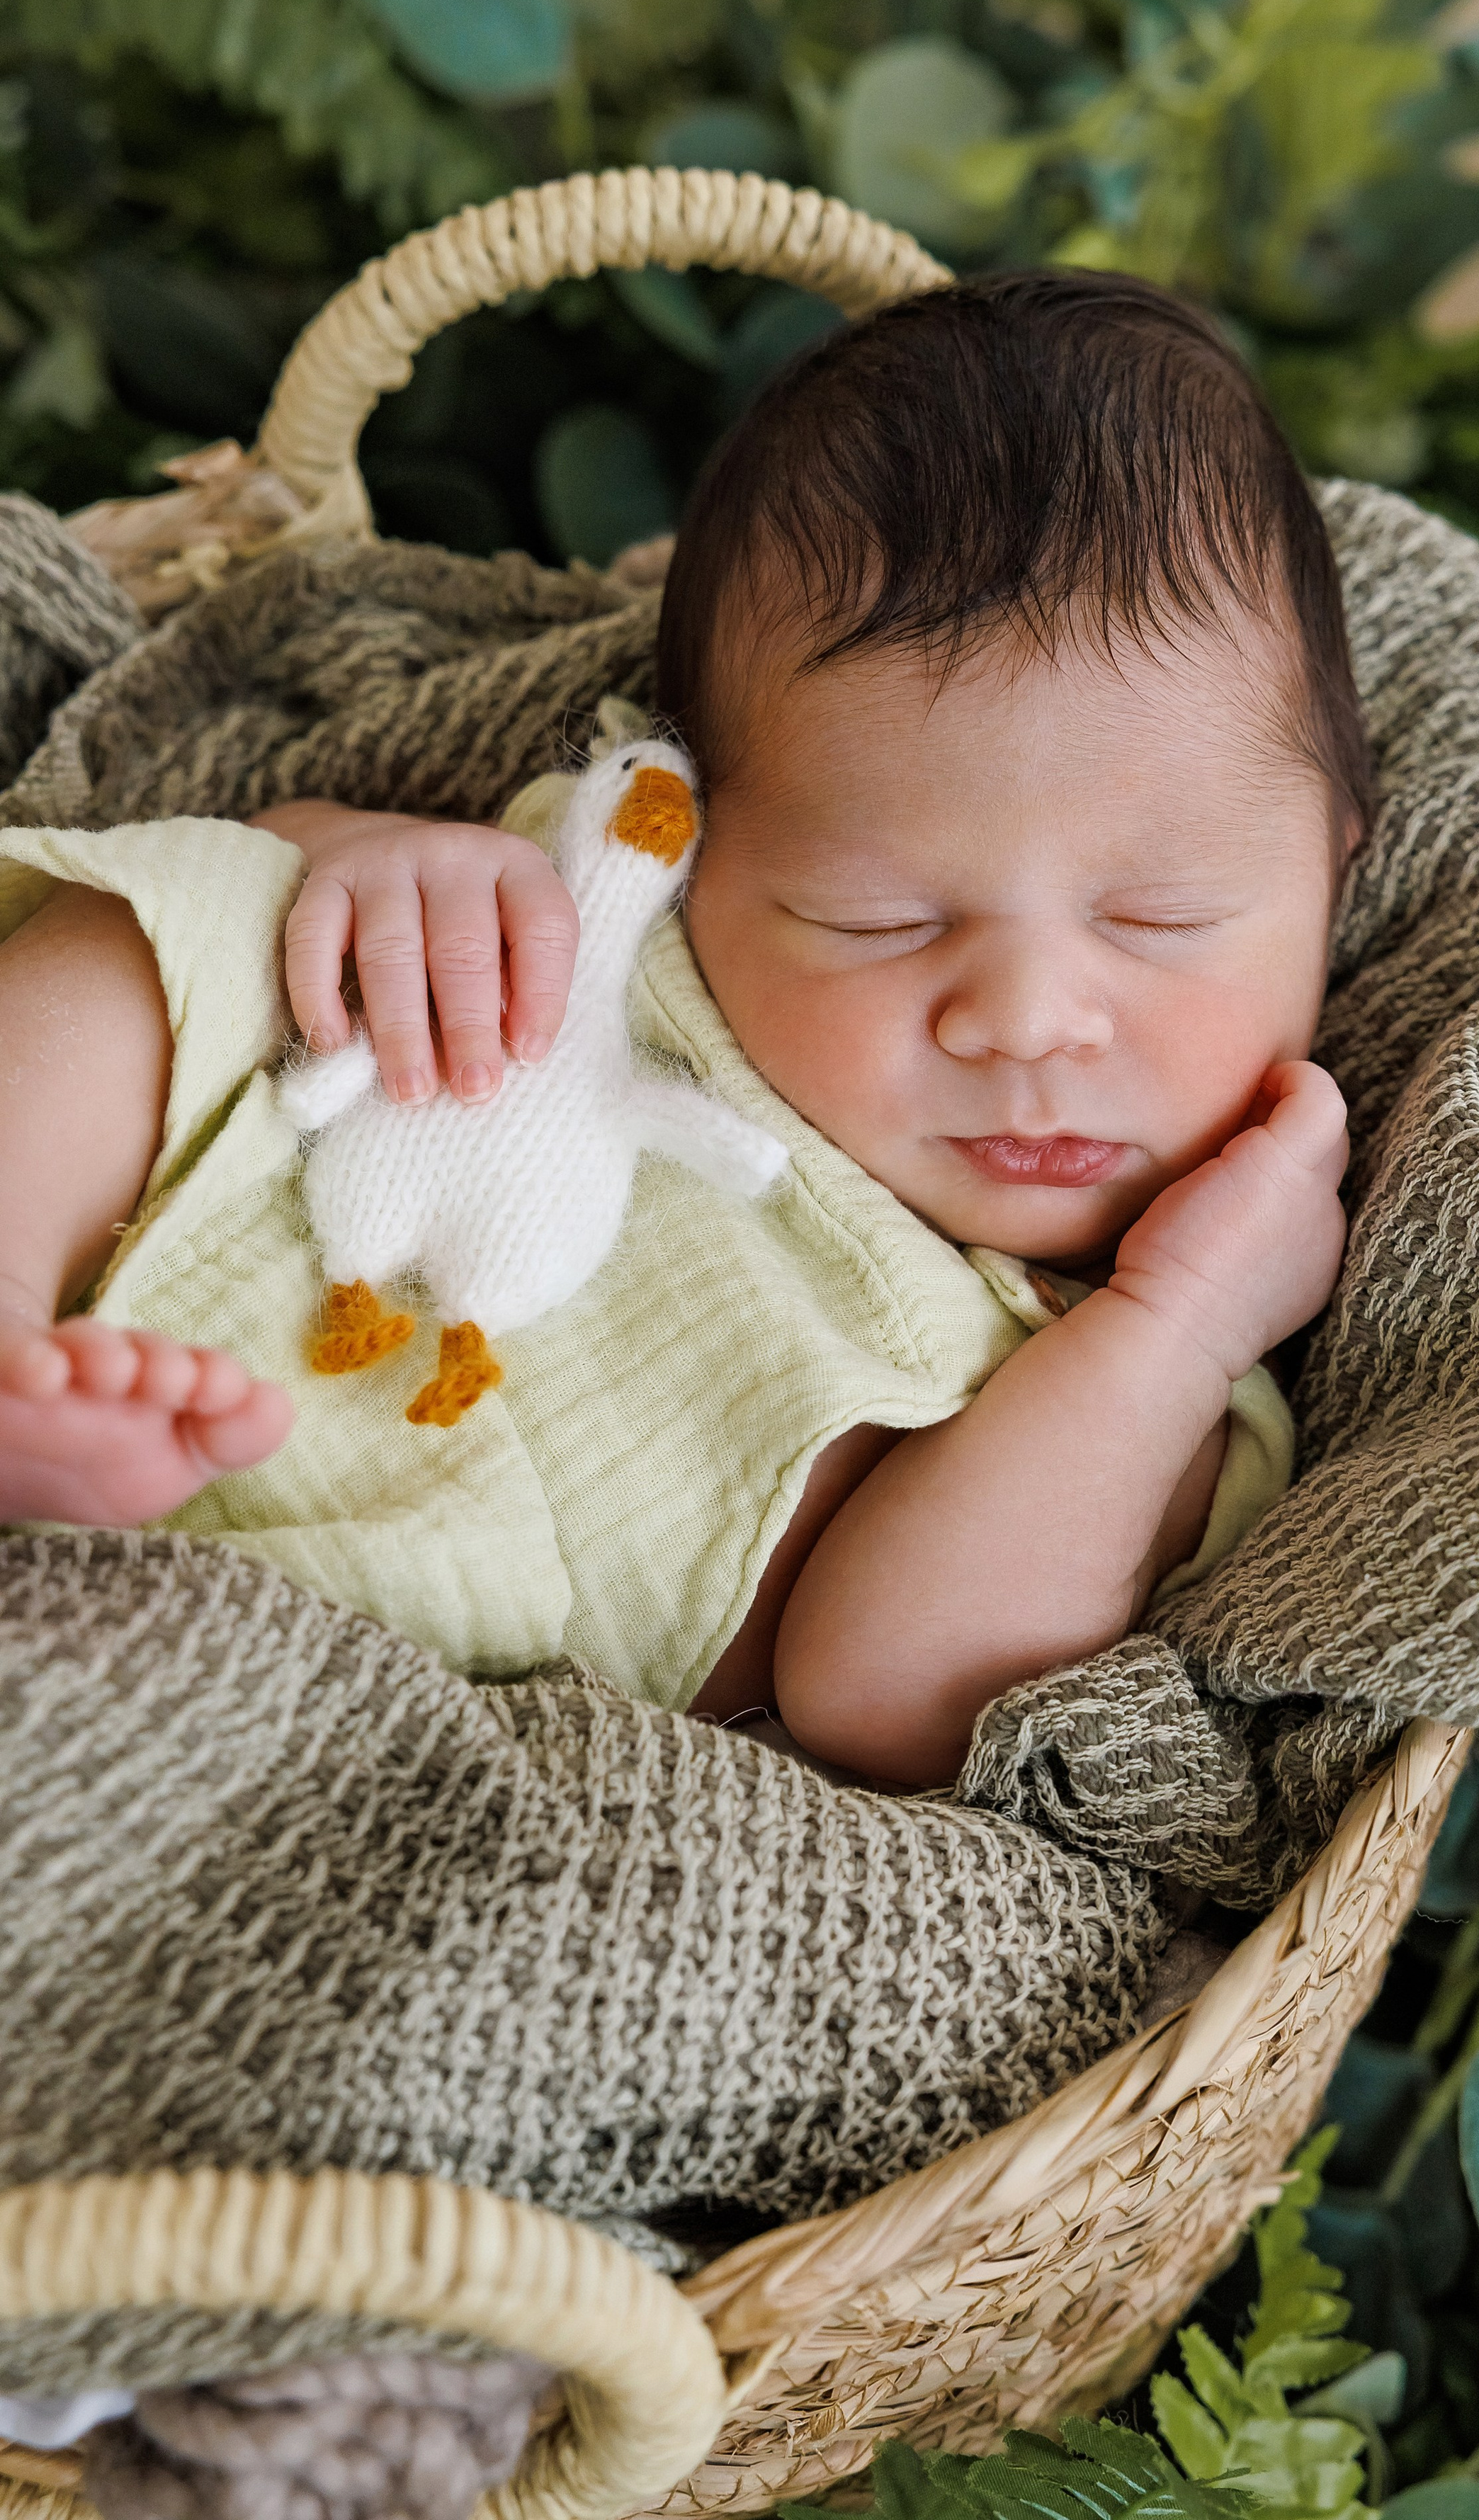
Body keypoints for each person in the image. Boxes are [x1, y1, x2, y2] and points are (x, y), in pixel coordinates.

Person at [0, 272, 1365, 1788]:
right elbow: (283, 895)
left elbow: (888, 1692)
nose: (1027, 1019)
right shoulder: (617, 904)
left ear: (1333, 874)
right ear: (711, 830)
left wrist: (1171, 1324)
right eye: (877, 919)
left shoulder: (1152, 1379)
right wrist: (372, 853)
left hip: (386, 1646)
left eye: (1157, 920)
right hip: (222, 1202)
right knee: (167, 932)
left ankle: (88, 1521)